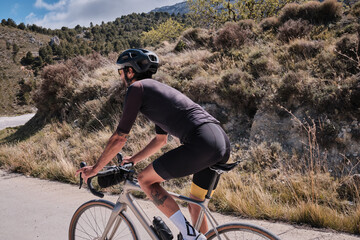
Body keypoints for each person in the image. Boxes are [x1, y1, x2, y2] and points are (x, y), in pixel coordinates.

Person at [76, 49, 230, 240]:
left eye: (121, 71)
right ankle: (198, 236)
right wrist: (134, 158)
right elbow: (160, 140)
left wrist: (96, 169)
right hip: (220, 140)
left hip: (202, 142)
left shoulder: (136, 88)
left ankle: (191, 236)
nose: (121, 76)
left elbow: (119, 138)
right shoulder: (158, 91)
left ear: (130, 72)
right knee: (195, 204)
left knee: (145, 179)